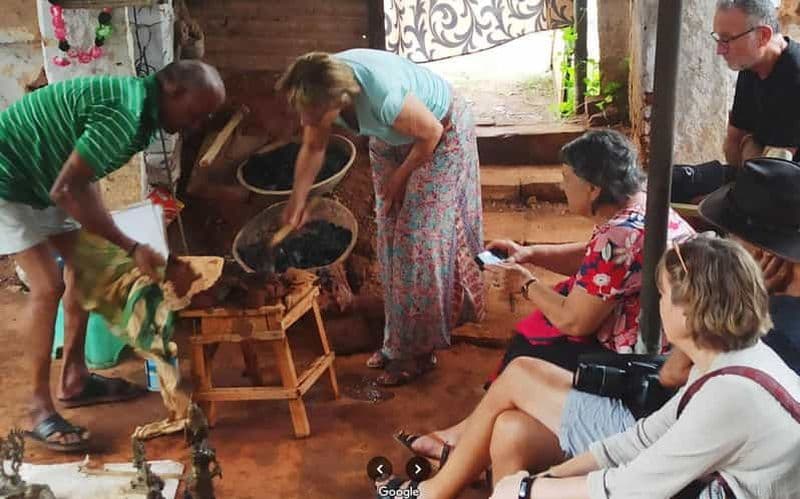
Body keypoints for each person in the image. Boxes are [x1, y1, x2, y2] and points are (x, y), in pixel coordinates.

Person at [395, 129, 694, 465]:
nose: (562, 185)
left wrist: (524, 282)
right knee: (534, 332)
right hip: (657, 342)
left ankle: (465, 447)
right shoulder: (641, 207)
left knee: (533, 348)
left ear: (594, 188)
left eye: (568, 178)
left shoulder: (620, 234)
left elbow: (575, 320)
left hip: (638, 360)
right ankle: (464, 438)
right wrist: (530, 253)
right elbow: (594, 260)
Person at [0, 61, 226, 452]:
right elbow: (68, 189)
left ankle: (74, 378)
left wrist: (124, 248)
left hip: (43, 177)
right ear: (173, 89)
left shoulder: (138, 114)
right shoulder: (125, 112)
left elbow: (83, 181)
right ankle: (37, 408)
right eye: (198, 111)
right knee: (47, 284)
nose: (198, 123)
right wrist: (132, 246)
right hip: (8, 177)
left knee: (86, 265)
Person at [488, 236, 800, 499]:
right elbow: (640, 440)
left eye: (663, 295)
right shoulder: (727, 362)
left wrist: (526, 490)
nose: (658, 304)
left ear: (688, 313)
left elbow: (631, 488)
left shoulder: (730, 393)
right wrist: (548, 479)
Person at [275, 49, 484, 386]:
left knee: (418, 239)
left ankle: (420, 351)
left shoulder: (382, 94)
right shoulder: (318, 84)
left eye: (312, 112)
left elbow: (431, 132)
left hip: (442, 131)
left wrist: (399, 178)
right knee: (389, 234)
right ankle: (398, 341)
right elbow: (313, 148)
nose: (305, 119)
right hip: (393, 136)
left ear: (339, 101)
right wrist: (298, 199)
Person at [662, 158, 800, 387]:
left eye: (732, 238)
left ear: (761, 253)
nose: (727, 244)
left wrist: (745, 294)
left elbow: (673, 374)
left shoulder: (773, 330)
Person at [672, 0, 800, 202]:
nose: (719, 50)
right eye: (718, 39)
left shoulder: (794, 76)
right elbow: (734, 142)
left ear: (763, 36)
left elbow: (774, 170)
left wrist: (750, 145)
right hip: (755, 174)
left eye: (727, 40)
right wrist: (750, 147)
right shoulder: (750, 66)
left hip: (784, 193)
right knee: (668, 182)